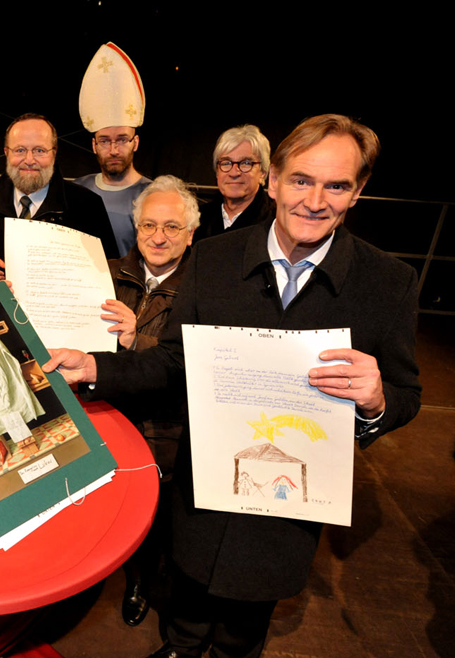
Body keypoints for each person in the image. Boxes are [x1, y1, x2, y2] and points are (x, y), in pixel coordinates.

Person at [44, 115, 420, 658]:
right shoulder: (214, 260)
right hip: (206, 482)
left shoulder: (387, 283)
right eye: (300, 180)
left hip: (290, 499)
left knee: (245, 625)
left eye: (336, 185)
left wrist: (378, 399)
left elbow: (406, 395)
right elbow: (174, 360)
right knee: (187, 599)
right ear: (273, 181)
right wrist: (98, 367)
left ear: (357, 192)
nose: (315, 200)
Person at [100, 175, 199, 626]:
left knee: (157, 521)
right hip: (107, 413)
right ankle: (121, 572)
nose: (158, 237)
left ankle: (144, 581)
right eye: (148, 226)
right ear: (135, 229)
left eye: (172, 227)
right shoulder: (102, 270)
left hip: (167, 427)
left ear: (191, 233)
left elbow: (192, 362)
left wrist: (134, 337)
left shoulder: (206, 286)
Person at [0, 113, 118, 264]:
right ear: (6, 153)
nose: (29, 160)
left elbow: (108, 272)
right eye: (20, 150)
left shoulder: (88, 206)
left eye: (39, 150)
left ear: (54, 153)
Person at [75, 41, 152, 258]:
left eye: (121, 139)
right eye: (105, 141)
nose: (114, 149)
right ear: (94, 145)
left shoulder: (152, 194)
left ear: (135, 142)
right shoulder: (77, 191)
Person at [197, 125, 275, 240]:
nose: (234, 173)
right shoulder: (198, 219)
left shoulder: (277, 221)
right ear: (217, 171)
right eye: (226, 163)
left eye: (246, 163)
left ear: (263, 172)